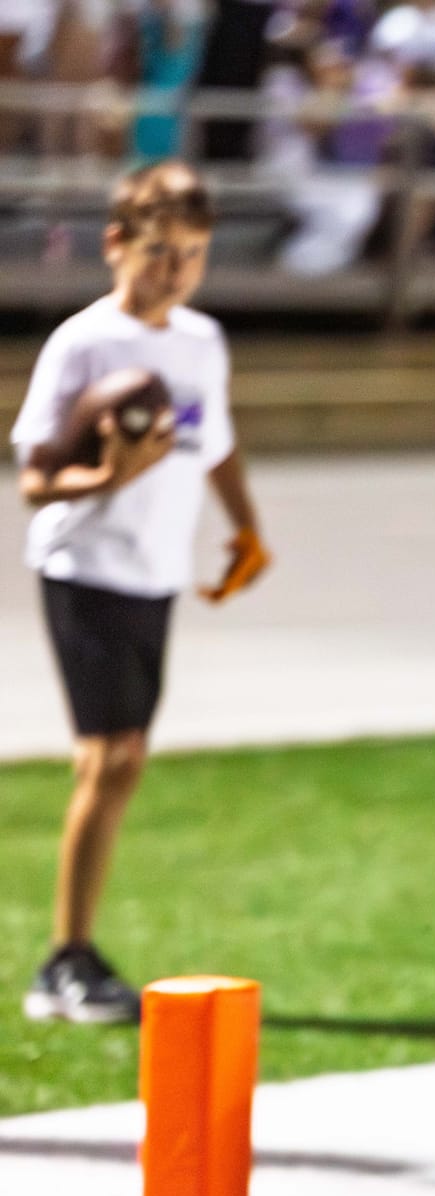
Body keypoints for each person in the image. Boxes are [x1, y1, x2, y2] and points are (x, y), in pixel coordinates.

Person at [14, 162, 271, 1023]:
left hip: (156, 573)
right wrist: (104, 476)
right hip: (85, 566)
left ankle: (73, 955)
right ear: (115, 244)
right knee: (110, 758)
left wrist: (246, 528)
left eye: (192, 254)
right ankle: (66, 961)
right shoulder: (83, 344)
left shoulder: (201, 341)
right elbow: (34, 479)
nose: (175, 271)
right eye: (159, 251)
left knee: (123, 759)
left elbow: (216, 444)